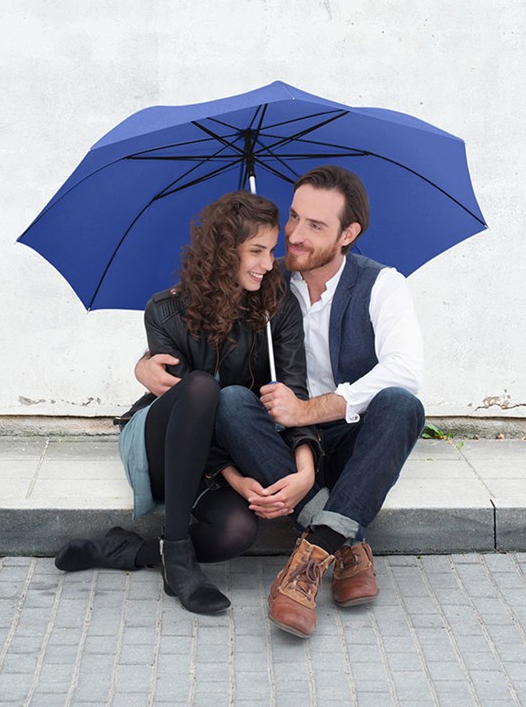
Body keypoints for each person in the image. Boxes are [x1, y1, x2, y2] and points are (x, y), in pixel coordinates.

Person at [137, 166, 425, 637]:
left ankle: (314, 555)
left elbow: (406, 370)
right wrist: (143, 362)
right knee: (233, 401)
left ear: (348, 234)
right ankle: (348, 545)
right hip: (275, 442)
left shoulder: (382, 285)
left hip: (348, 441)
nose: (293, 236)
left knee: (402, 404)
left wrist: (309, 413)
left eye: (316, 225)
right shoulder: (269, 282)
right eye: (294, 217)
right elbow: (203, 340)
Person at [57, 191, 321, 617]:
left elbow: (295, 394)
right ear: (224, 251)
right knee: (201, 387)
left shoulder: (278, 307)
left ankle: (131, 549)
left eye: (271, 251)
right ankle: (177, 554)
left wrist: (304, 470)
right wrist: (235, 477)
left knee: (236, 532)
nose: (268, 264)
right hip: (163, 444)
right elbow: (191, 406)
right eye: (256, 251)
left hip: (222, 449)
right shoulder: (165, 311)